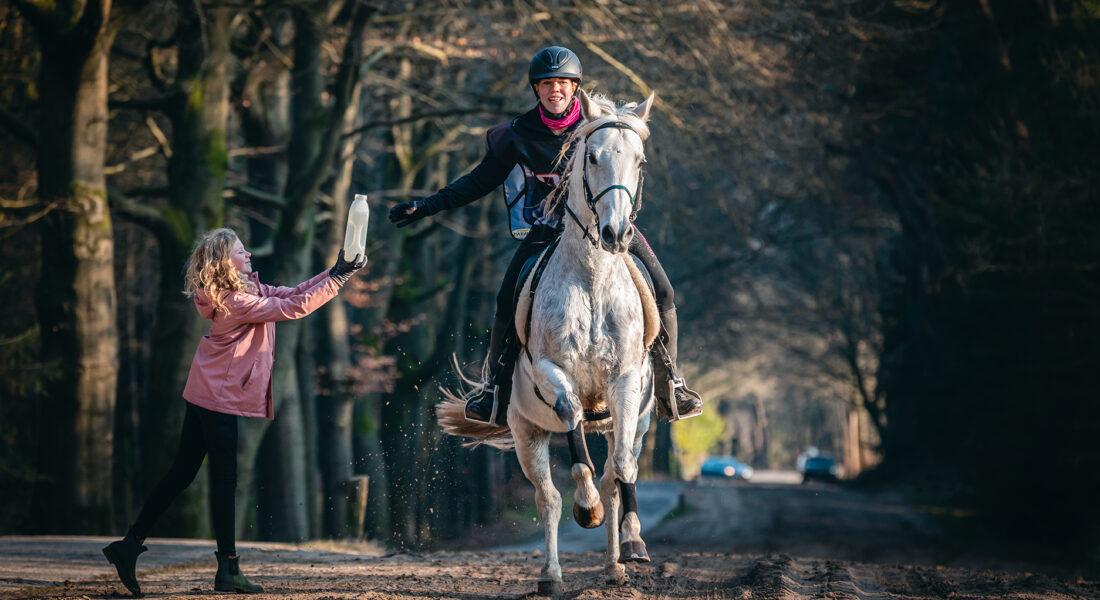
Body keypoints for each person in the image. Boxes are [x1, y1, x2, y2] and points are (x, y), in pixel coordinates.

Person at [389, 46, 703, 426]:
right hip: (546, 231)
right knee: (507, 299)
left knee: (664, 291)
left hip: (607, 229)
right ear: (536, 90)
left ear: (575, 89)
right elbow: (479, 181)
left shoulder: (598, 128)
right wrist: (427, 206)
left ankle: (671, 386)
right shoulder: (518, 134)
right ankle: (495, 392)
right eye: (547, 84)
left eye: (563, 84)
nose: (555, 90)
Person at [101, 228, 366, 596]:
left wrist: (335, 270)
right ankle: (227, 569)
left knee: (182, 472)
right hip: (217, 396)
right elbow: (293, 308)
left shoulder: (248, 290)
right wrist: (339, 279)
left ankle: (129, 545)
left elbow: (291, 293)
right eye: (241, 251)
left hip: (207, 390)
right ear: (225, 261)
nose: (249, 254)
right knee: (223, 479)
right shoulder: (232, 300)